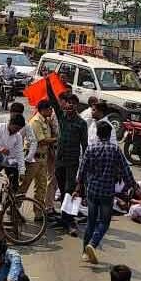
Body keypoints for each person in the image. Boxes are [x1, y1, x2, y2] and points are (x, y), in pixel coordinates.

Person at [76, 120, 139, 265]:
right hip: (107, 191)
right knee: (104, 222)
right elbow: (125, 170)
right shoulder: (115, 149)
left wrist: (79, 185)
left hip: (92, 190)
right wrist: (132, 186)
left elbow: (82, 169)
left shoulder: (91, 148)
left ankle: (85, 252)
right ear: (110, 133)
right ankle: (93, 243)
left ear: (97, 134)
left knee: (91, 222)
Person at [45, 77, 88, 237]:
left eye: (72, 103)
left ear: (76, 106)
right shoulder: (61, 117)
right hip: (60, 160)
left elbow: (85, 147)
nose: (69, 105)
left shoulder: (81, 123)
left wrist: (84, 167)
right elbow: (53, 100)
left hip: (72, 162)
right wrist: (47, 83)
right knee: (62, 190)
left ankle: (70, 221)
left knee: (70, 191)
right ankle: (64, 218)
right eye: (67, 103)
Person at [20, 100, 57, 211]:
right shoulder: (35, 122)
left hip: (43, 158)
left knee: (41, 187)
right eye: (50, 109)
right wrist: (57, 139)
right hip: (33, 159)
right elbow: (42, 141)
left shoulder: (46, 122)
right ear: (43, 110)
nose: (51, 111)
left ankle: (38, 212)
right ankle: (13, 209)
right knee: (24, 185)